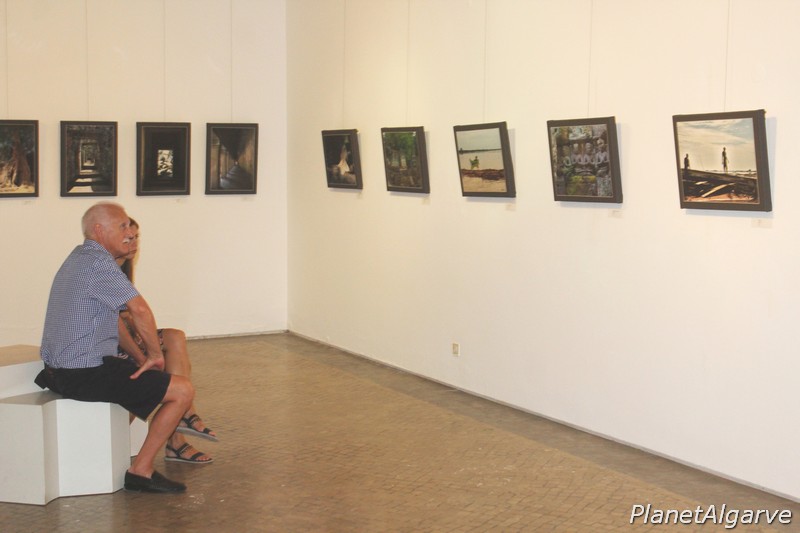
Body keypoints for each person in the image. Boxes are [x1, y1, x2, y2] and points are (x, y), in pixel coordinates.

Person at [37, 202, 193, 493]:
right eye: (122, 226)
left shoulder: (80, 257)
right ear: (99, 230)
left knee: (140, 374)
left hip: (59, 371)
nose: (130, 233)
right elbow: (140, 311)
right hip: (82, 374)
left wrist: (142, 358)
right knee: (182, 390)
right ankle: (141, 470)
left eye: (130, 227)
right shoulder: (98, 262)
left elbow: (115, 323)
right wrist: (155, 356)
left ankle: (127, 449)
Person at [117, 218, 216, 464]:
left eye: (136, 237)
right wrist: (143, 351)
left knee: (174, 337)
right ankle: (179, 434)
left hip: (125, 340)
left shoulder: (123, 268)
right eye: (128, 238)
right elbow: (115, 321)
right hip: (107, 348)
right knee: (166, 355)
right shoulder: (105, 269)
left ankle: (183, 420)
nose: (134, 243)